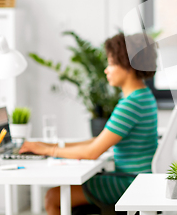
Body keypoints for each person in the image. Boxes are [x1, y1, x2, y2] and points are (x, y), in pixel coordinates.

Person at [20, 33, 158, 215]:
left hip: (129, 182)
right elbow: (98, 141)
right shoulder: (143, 96)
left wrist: (47, 151)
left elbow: (92, 152)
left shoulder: (130, 104)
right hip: (137, 178)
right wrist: (50, 146)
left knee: (52, 197)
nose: (106, 70)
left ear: (128, 65)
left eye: (111, 63)